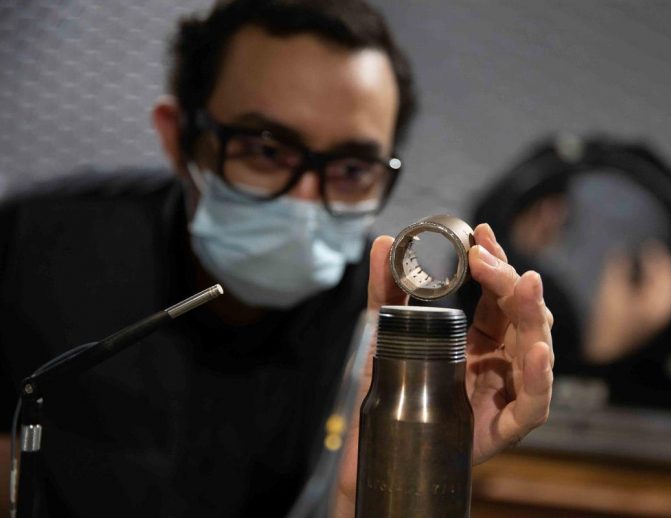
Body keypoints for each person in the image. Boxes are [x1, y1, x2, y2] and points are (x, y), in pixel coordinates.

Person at [0, 1, 554, 516]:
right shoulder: (33, 252)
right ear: (179, 137)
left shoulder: (401, 336)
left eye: (352, 168)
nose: (306, 201)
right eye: (267, 150)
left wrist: (402, 480)